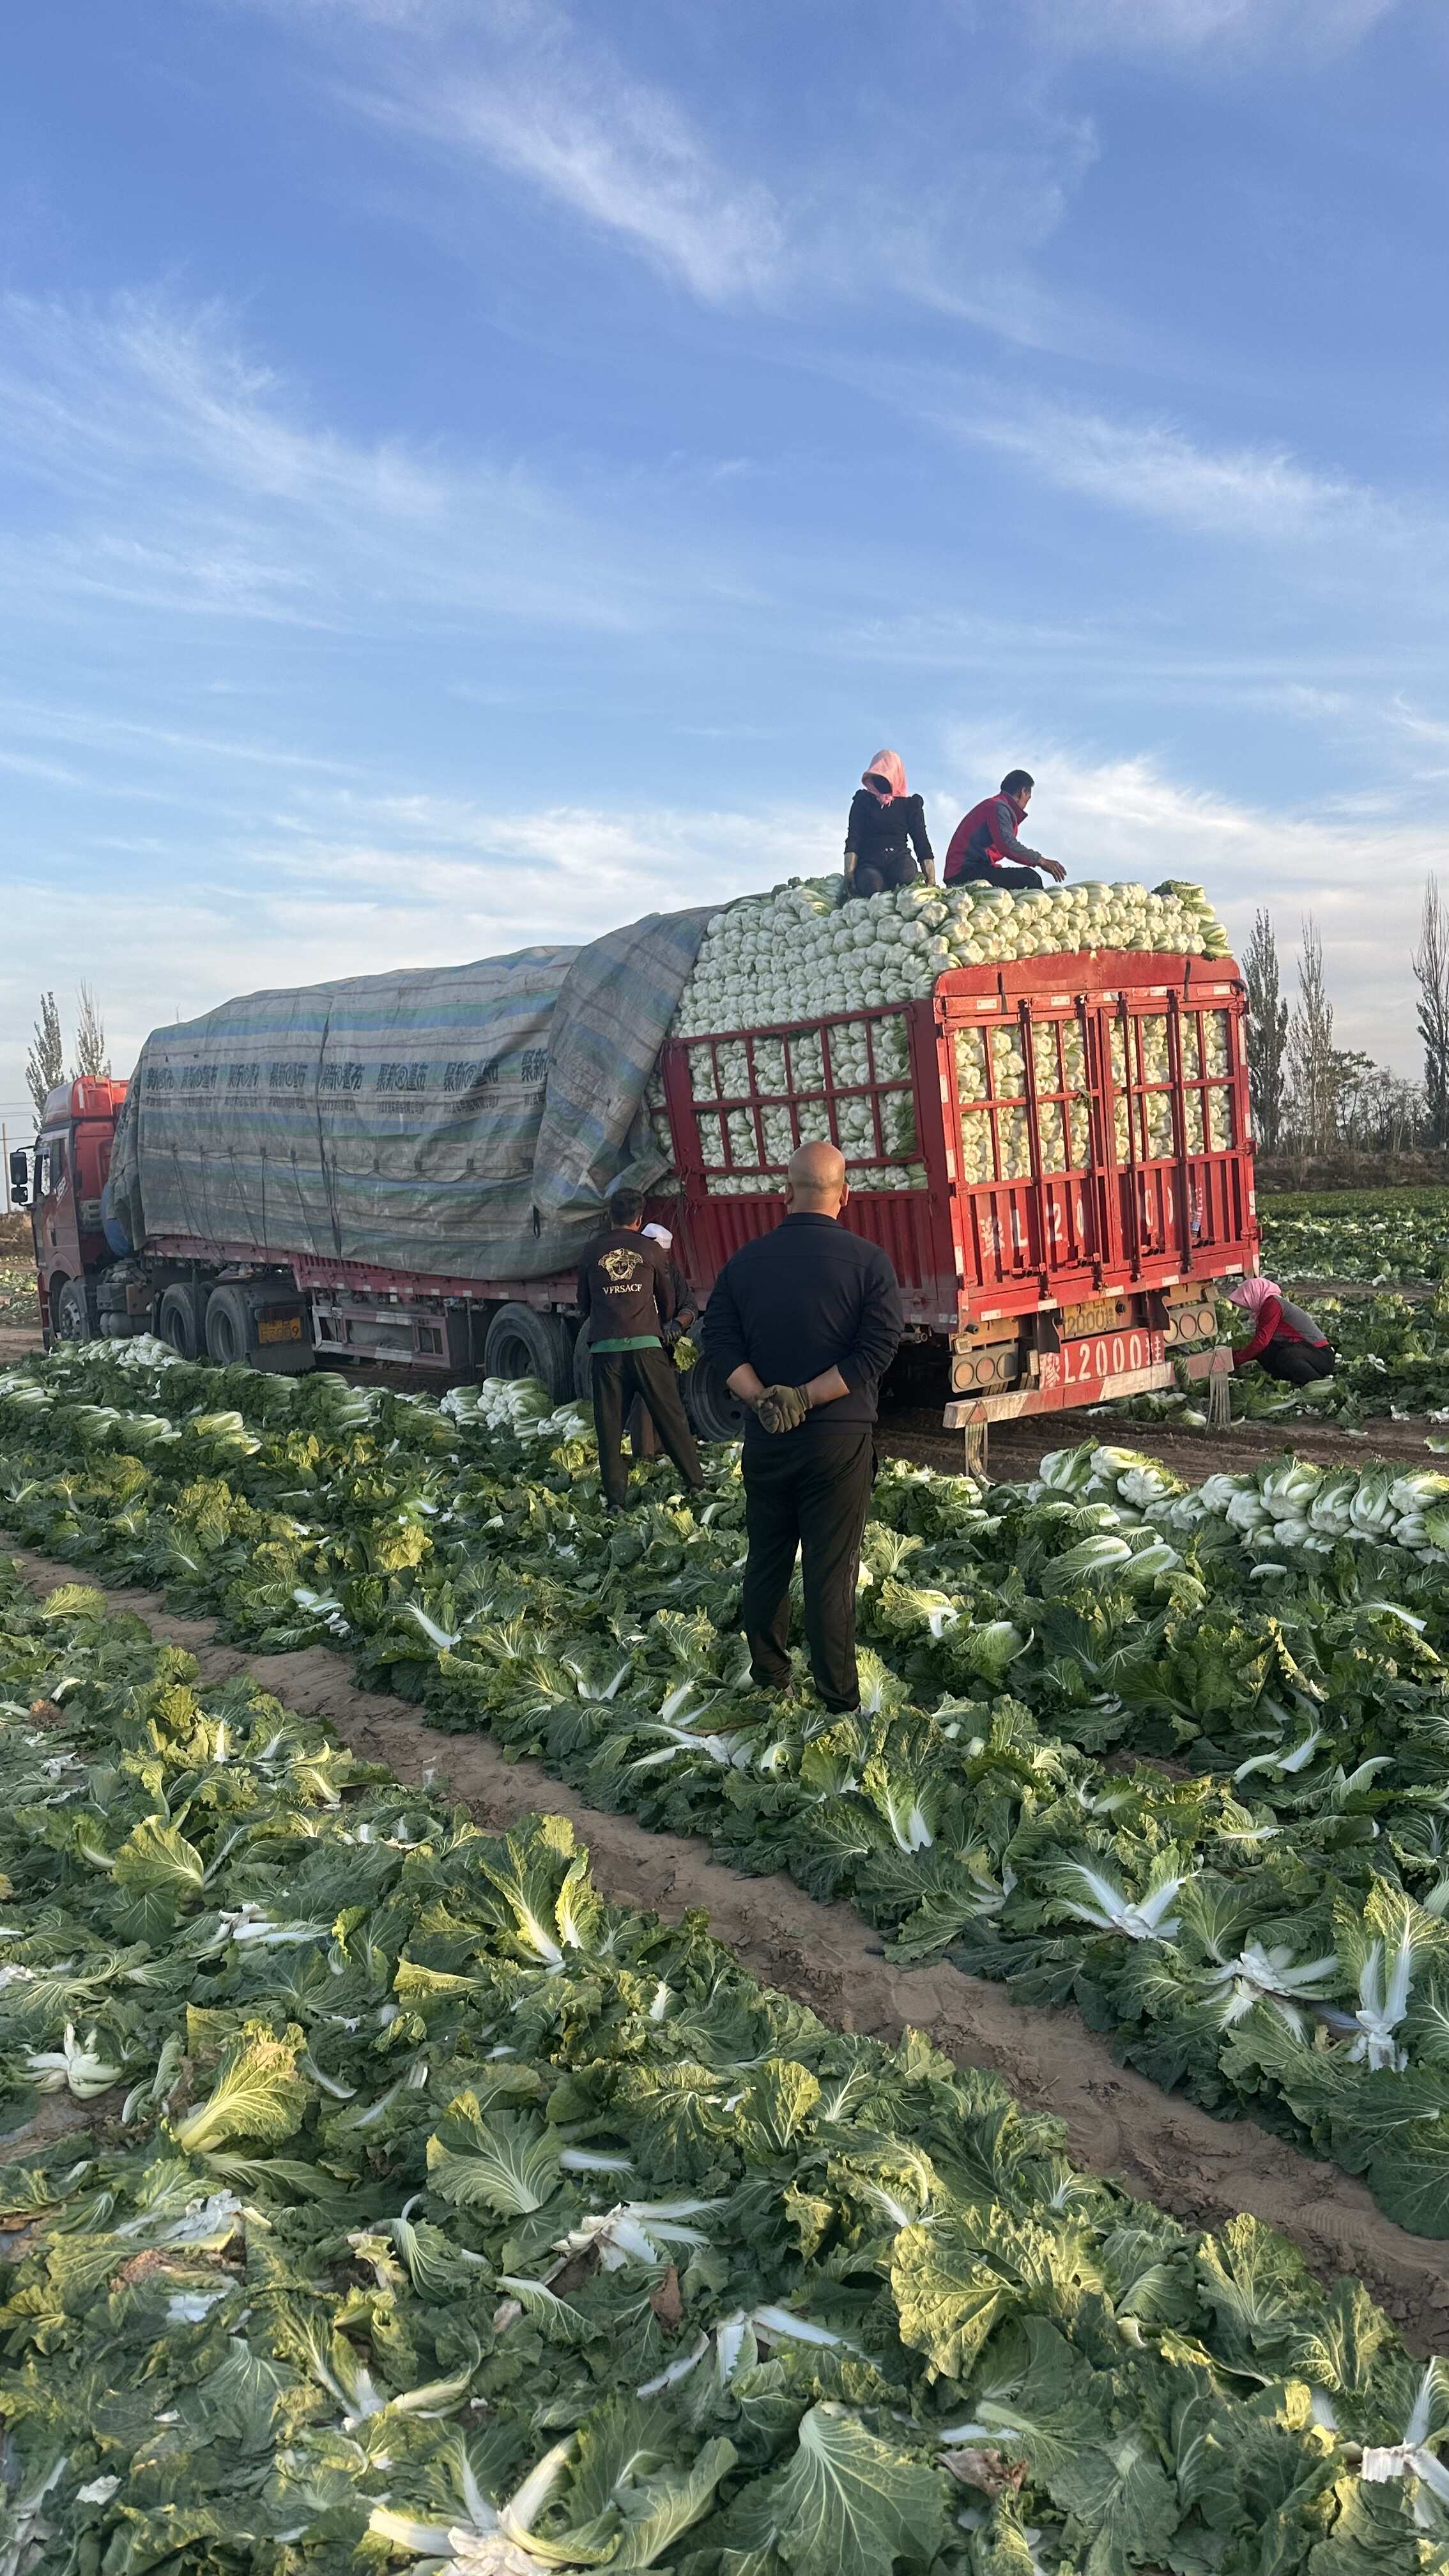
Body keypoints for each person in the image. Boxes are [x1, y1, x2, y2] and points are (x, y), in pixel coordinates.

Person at [700, 1140, 904, 1712]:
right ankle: (838, 1700)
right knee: (829, 1571)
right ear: (846, 1194)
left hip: (768, 1436)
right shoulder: (869, 1263)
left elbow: (718, 1341)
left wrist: (765, 1398)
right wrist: (807, 1397)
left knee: (766, 1557)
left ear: (784, 1193)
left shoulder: (744, 1262)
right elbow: (877, 1350)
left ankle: (770, 1679)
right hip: (838, 1440)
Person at [578, 1189, 707, 1509]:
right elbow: (668, 1300)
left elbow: (583, 1304)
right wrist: (664, 1324)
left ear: (611, 1217)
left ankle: (615, 1502)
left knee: (609, 1425)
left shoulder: (591, 1251)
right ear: (639, 1219)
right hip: (647, 1348)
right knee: (671, 1417)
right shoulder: (651, 1251)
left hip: (606, 1351)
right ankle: (696, 1485)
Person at [626, 1222, 698, 1462]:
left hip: (666, 1346)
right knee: (643, 1399)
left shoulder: (671, 1272)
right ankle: (645, 1458)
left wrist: (678, 1324)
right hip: (640, 1343)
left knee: (668, 1399)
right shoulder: (631, 1270)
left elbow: (689, 1305)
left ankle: (666, 1452)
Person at [944, 769, 1066, 891]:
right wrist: (1042, 861)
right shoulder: (998, 807)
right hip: (964, 872)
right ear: (1023, 792)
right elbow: (1008, 845)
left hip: (973, 868)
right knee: (1030, 878)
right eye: (1028, 798)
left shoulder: (996, 806)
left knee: (1015, 879)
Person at [843, 751, 937, 901]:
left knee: (904, 875)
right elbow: (854, 837)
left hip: (899, 857)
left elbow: (921, 841)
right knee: (872, 886)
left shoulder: (910, 805)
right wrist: (849, 872)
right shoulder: (863, 802)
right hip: (869, 862)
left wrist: (931, 880)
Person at [1227, 1276, 1335, 1386]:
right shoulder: (1266, 1307)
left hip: (1321, 1356)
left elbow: (1261, 1341)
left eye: (1246, 1301)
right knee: (1265, 1352)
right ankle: (1292, 1380)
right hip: (1306, 1353)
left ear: (1253, 1295)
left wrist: (1235, 1360)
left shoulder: (1273, 1304)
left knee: (1287, 1356)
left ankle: (1317, 1384)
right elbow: (1261, 1344)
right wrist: (1232, 1356)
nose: (1248, 1307)